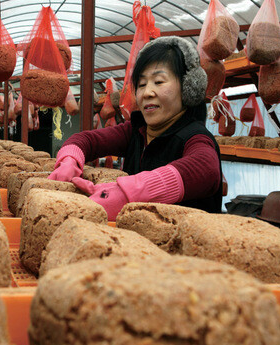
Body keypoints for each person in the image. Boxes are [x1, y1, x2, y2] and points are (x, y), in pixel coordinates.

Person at [49, 36, 222, 220]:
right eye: (141, 84)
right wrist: (69, 160)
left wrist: (128, 192)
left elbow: (206, 169)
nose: (147, 93)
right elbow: (86, 140)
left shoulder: (195, 137)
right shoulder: (136, 130)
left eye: (159, 82)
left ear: (187, 88)